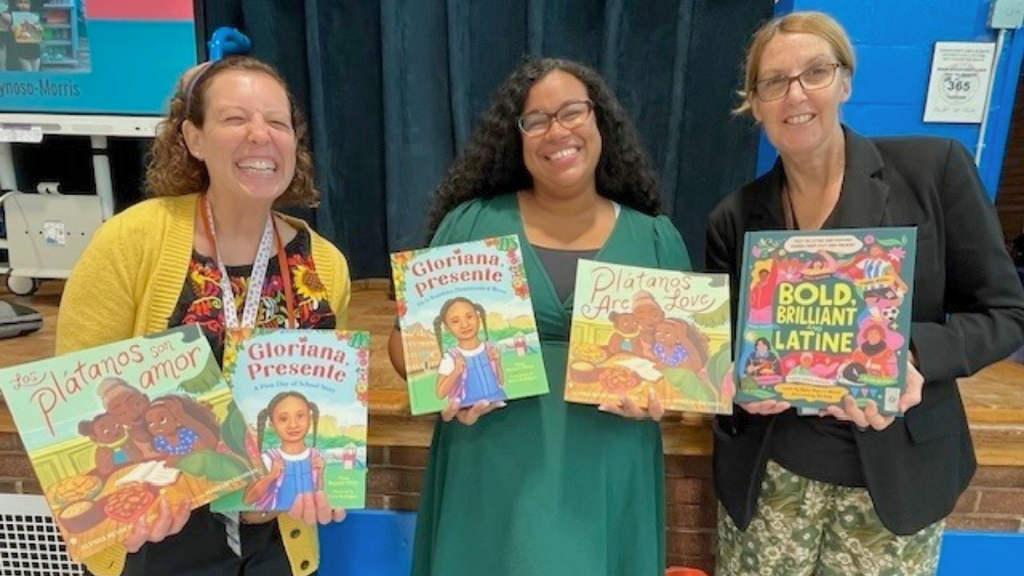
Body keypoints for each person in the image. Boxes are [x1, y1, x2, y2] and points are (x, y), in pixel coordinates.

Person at [705, 11, 1024, 576]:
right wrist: (735, 385)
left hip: (894, 484)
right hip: (775, 480)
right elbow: (730, 352)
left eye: (815, 72)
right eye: (773, 82)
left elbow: (1006, 312)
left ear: (845, 81)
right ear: (754, 103)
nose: (795, 94)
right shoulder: (734, 218)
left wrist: (915, 354)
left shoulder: (934, 171)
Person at [387, 57, 691, 576]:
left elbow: (685, 375)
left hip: (607, 470)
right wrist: (439, 385)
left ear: (600, 121)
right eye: (536, 120)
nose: (557, 131)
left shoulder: (656, 238)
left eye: (572, 112)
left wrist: (666, 399)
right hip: (489, 464)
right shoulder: (472, 223)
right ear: (518, 136)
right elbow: (404, 343)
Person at [56, 56, 350, 576]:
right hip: (157, 539)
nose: (260, 134)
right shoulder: (132, 241)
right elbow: (75, 398)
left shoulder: (325, 264)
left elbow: (324, 407)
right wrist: (120, 497)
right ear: (193, 138)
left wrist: (322, 475)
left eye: (277, 122)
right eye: (235, 118)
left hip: (275, 538)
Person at [244, 392, 325, 511]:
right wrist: (271, 476)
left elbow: (318, 490)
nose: (293, 425)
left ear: (310, 419)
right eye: (283, 419)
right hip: (273, 520)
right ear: (272, 424)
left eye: (300, 416)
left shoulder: (316, 455)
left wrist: (320, 474)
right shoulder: (269, 459)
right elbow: (247, 500)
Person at [433, 296, 506, 405]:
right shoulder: (451, 357)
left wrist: (498, 362)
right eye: (456, 321)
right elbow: (440, 394)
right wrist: (456, 371)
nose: (465, 324)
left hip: (499, 400)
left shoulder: (490, 349)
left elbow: (501, 382)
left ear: (478, 318)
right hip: (467, 406)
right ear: (447, 328)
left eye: (469, 317)